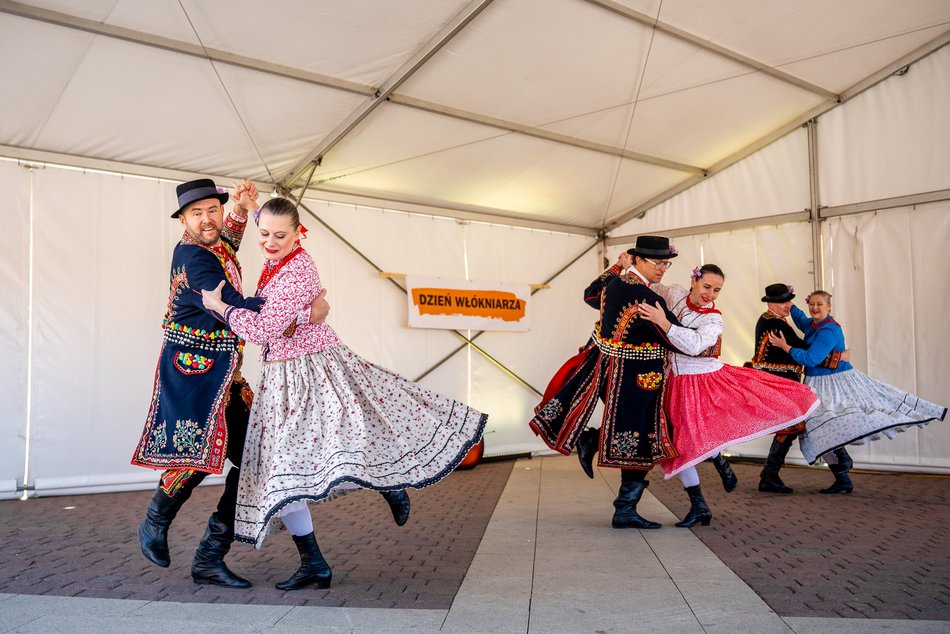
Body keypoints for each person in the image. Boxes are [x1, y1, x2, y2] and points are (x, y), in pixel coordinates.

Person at [201, 197, 486, 590]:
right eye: (263, 234)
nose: (269, 242)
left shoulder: (298, 269)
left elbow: (262, 329)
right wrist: (252, 209)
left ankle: (385, 484)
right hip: (282, 377)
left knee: (314, 461)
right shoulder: (279, 253)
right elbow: (279, 312)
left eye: (280, 235)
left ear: (298, 234)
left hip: (308, 372)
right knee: (285, 473)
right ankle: (314, 563)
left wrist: (219, 307)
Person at [131, 178, 328, 588]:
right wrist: (302, 311)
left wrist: (242, 208)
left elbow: (230, 240)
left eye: (213, 210)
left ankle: (209, 556)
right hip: (193, 374)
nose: (207, 219)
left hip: (225, 376)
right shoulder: (194, 259)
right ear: (183, 220)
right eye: (196, 213)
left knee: (257, 460)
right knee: (196, 455)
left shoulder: (215, 243)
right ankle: (156, 520)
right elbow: (240, 308)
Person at [637, 265, 819, 526]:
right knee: (678, 444)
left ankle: (702, 498)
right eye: (706, 287)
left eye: (717, 290)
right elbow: (649, 285)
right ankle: (711, 479)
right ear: (693, 281)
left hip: (702, 381)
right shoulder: (675, 293)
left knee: (687, 444)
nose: (710, 294)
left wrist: (663, 322)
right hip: (673, 382)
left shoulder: (714, 319)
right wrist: (626, 268)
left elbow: (694, 345)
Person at [529, 235, 683, 529]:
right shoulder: (648, 298)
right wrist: (701, 333)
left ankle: (597, 448)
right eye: (658, 263)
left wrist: (616, 267)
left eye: (666, 264)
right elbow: (675, 338)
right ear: (638, 260)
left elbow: (590, 295)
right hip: (637, 378)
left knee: (635, 436)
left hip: (611, 371)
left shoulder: (614, 284)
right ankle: (624, 507)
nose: (663, 269)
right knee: (642, 438)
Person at [769, 290, 947, 494]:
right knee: (819, 426)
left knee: (830, 422)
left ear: (829, 307)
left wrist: (785, 346)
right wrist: (788, 300)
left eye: (820, 304)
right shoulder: (812, 324)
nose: (815, 308)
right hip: (817, 382)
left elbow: (811, 358)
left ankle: (842, 466)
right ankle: (842, 473)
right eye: (812, 304)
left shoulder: (830, 330)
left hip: (834, 383)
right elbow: (801, 320)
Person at [751, 283, 843, 494]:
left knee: (798, 425)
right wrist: (840, 356)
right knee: (797, 425)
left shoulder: (770, 320)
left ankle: (770, 475)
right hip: (781, 383)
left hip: (781, 383)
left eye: (789, 301)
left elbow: (802, 325)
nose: (789, 305)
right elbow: (808, 352)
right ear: (771, 303)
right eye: (783, 302)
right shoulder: (776, 324)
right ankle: (769, 476)